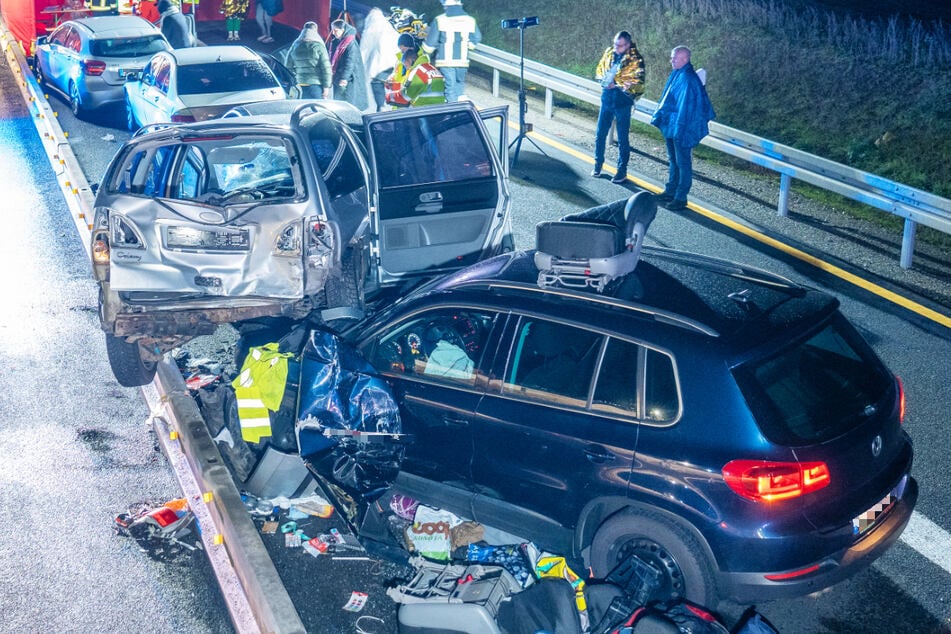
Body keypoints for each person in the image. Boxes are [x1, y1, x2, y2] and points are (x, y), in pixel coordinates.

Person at [650, 45, 716, 211]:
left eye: (674, 58)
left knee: (682, 162)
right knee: (674, 160)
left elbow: (687, 109)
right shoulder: (678, 74)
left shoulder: (688, 79)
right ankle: (670, 191)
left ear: (685, 59)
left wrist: (679, 128)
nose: (671, 60)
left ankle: (680, 197)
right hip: (673, 125)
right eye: (672, 57)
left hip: (681, 128)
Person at [592, 31, 645, 184]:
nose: (616, 47)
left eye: (620, 45)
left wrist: (616, 85)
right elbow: (600, 70)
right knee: (600, 134)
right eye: (615, 43)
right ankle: (598, 164)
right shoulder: (609, 53)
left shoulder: (636, 60)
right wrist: (603, 81)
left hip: (623, 103)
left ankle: (622, 171)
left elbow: (638, 82)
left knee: (622, 139)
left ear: (628, 45)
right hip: (607, 100)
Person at [421, 0, 480, 102]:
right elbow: (477, 37)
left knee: (450, 89)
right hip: (462, 61)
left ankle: (452, 112)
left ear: (446, 6)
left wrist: (425, 52)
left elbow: (430, 43)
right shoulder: (470, 20)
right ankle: (460, 107)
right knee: (459, 86)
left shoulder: (440, 20)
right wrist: (469, 46)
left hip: (446, 61)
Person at [361, 8, 401, 111]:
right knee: (392, 82)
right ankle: (397, 104)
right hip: (394, 61)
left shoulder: (372, 27)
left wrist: (361, 61)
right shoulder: (389, 27)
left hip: (381, 63)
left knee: (376, 82)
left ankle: (381, 106)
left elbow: (365, 46)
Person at [329, 19, 369, 110]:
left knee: (347, 103)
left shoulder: (350, 43)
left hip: (349, 78)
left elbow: (350, 62)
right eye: (332, 30)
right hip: (338, 76)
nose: (333, 33)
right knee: (339, 103)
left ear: (343, 30)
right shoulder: (337, 42)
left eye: (336, 30)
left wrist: (344, 78)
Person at [287, 21, 332, 99]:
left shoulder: (295, 46)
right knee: (316, 109)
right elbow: (326, 68)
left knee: (303, 109)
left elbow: (288, 66)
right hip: (316, 86)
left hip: (300, 85)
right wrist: (326, 87)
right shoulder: (319, 46)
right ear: (315, 31)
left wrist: (295, 79)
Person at [384, 33, 427, 108]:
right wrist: (390, 79)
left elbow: (415, 83)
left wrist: (397, 86)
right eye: (400, 49)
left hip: (411, 103)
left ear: (411, 47)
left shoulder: (421, 60)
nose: (401, 52)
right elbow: (396, 73)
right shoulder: (400, 58)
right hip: (399, 100)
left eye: (403, 49)